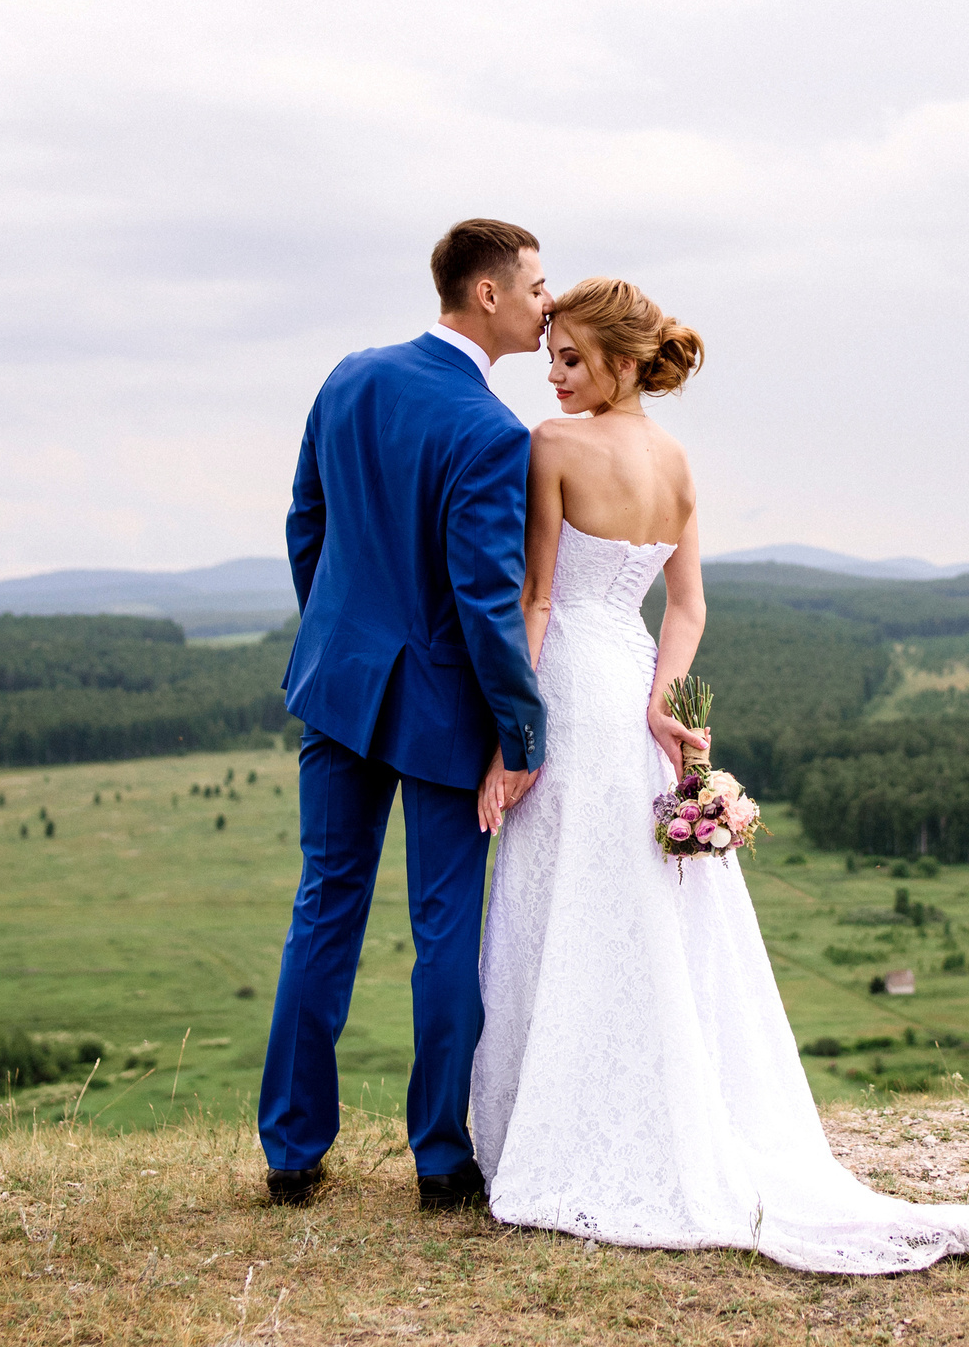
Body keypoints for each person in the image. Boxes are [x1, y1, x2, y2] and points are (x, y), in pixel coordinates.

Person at [470, 277, 969, 1273]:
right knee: (639, 904)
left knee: (565, 897)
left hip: (570, 683)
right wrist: (668, 700)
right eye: (550, 356)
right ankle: (651, 1113)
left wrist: (509, 735)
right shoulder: (678, 462)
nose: (552, 377)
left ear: (625, 362)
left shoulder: (553, 448)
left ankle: (557, 1134)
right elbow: (685, 605)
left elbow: (538, 598)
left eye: (570, 359)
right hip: (637, 683)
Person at [257, 219, 551, 1209]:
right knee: (443, 930)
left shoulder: (349, 376)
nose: (545, 303)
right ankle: (438, 1158)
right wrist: (521, 735)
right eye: (536, 286)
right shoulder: (489, 431)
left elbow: (306, 519)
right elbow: (485, 600)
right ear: (486, 296)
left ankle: (292, 1153)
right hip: (436, 710)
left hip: (338, 686)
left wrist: (341, 633)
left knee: (322, 907)